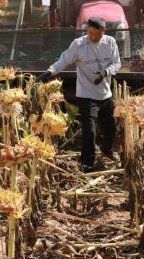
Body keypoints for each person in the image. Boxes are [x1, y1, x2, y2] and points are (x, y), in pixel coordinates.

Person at [37, 17, 121, 172]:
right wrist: (49, 72)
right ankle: (87, 163)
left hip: (105, 94)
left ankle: (107, 151)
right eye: (91, 33)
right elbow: (63, 60)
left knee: (111, 128)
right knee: (90, 131)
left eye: (97, 34)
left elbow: (117, 63)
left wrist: (105, 73)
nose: (94, 37)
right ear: (87, 30)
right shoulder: (79, 45)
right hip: (86, 95)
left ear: (104, 31)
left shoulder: (110, 43)